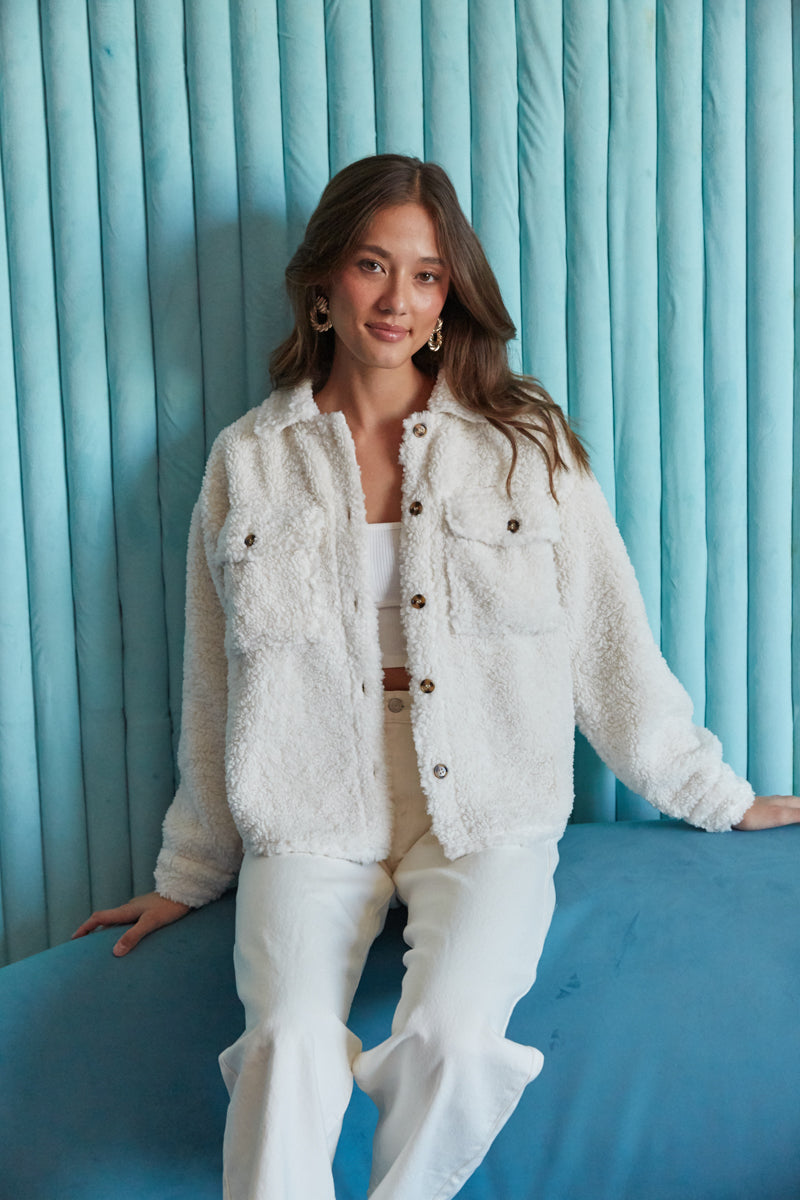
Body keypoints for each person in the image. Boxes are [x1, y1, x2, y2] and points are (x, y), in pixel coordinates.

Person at [73, 154, 800, 1199]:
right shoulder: (248, 459)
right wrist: (189, 872)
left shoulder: (521, 445)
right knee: (284, 1042)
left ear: (449, 295)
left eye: (424, 275)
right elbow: (215, 683)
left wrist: (715, 796)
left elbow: (608, 641)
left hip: (487, 791)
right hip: (308, 792)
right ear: (323, 284)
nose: (396, 299)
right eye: (372, 265)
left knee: (455, 1041)